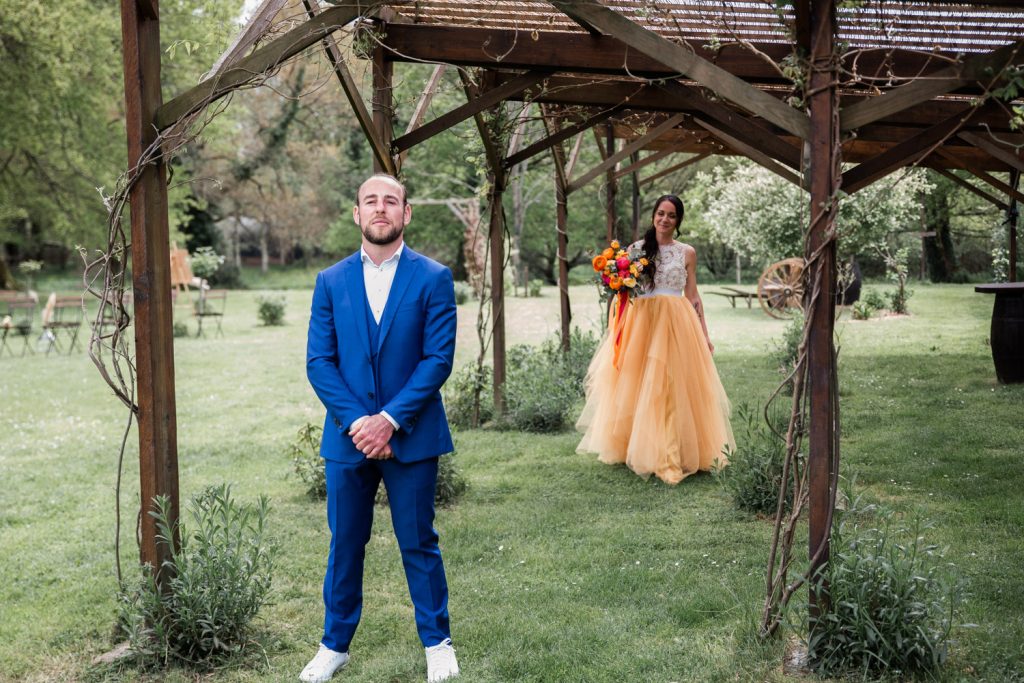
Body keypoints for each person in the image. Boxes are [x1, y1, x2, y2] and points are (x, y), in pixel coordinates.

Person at [302, 174, 460, 683]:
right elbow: (319, 362)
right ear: (356, 213)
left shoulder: (433, 277)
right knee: (345, 543)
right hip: (349, 439)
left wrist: (390, 421)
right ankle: (334, 646)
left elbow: (437, 359)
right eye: (371, 201)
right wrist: (361, 426)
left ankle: (437, 643)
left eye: (391, 201)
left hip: (411, 435)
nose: (380, 208)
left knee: (418, 541)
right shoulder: (330, 281)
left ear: (406, 213)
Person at [576, 194, 734, 485]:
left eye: (671, 215)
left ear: (678, 221)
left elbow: (694, 296)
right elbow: (624, 290)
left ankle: (671, 453)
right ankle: (636, 446)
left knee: (673, 385)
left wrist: (705, 334)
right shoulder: (636, 250)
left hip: (676, 322)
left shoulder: (687, 252)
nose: (664, 219)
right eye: (660, 213)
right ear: (653, 216)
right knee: (638, 383)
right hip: (643, 322)